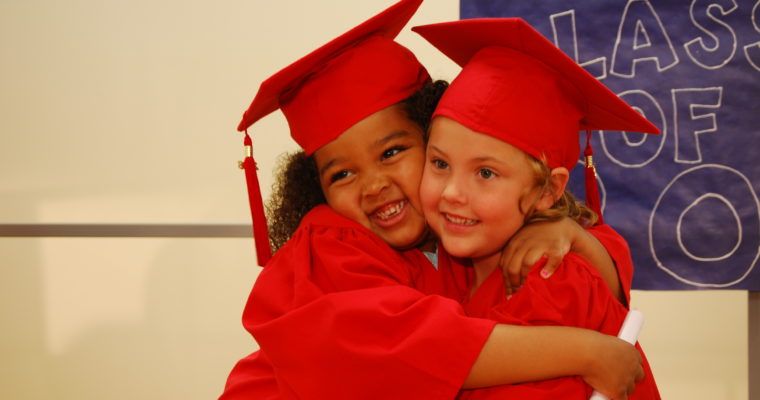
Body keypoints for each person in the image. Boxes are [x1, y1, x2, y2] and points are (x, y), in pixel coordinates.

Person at [221, 1, 643, 399]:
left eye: (391, 153)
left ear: (431, 139)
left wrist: (571, 234)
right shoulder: (330, 246)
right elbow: (400, 350)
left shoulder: (458, 233)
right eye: (342, 174)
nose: (372, 187)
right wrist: (585, 352)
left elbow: (606, 268)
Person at [414, 18, 662, 399]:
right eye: (440, 163)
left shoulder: (551, 280)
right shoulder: (444, 261)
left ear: (548, 190)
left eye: (485, 172)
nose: (452, 192)